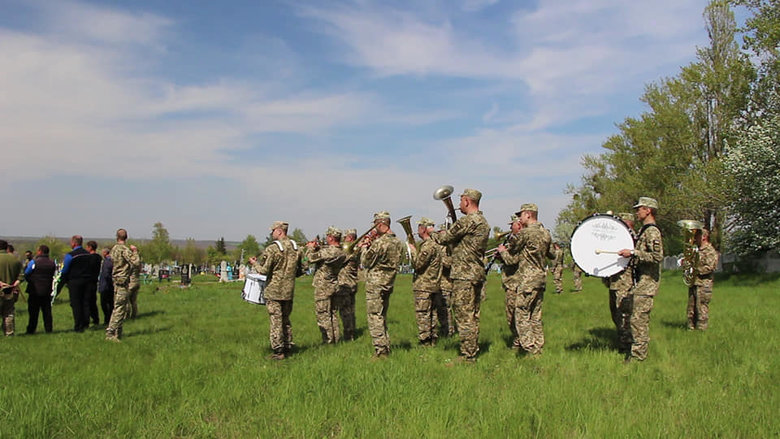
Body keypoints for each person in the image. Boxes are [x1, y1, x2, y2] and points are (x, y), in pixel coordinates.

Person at [431, 189, 490, 362]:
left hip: (464, 275)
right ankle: (472, 349)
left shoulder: (469, 220)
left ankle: (468, 355)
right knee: (473, 315)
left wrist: (433, 234)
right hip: (476, 273)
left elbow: (444, 239)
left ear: (467, 201)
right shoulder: (483, 221)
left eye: (460, 201)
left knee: (464, 316)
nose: (458, 205)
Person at [498, 203, 553, 356]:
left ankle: (529, 348)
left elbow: (512, 251)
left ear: (528, 214)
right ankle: (539, 347)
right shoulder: (546, 233)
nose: (519, 219)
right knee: (536, 316)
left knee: (521, 313)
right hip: (541, 279)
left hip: (528, 280)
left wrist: (502, 251)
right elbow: (553, 254)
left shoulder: (526, 233)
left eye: (521, 215)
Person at [248, 221, 303, 360]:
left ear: (279, 231)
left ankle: (278, 351)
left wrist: (255, 264)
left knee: (276, 321)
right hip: (288, 291)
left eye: (273, 231)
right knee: (286, 319)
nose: (271, 233)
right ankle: (288, 345)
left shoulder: (273, 249)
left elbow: (264, 271)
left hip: (273, 291)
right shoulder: (296, 248)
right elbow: (300, 270)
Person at [618, 197, 663, 362]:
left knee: (639, 320)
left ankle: (638, 357)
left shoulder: (652, 231)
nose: (637, 212)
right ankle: (636, 353)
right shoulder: (645, 230)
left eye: (639, 209)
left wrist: (634, 253)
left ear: (648, 210)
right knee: (635, 319)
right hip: (641, 282)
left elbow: (657, 256)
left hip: (647, 283)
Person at [360, 211, 403, 358]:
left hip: (376, 283)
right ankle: (385, 344)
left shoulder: (380, 242)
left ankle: (381, 351)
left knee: (374, 316)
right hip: (388, 282)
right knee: (382, 315)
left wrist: (365, 246)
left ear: (380, 224)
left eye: (375, 225)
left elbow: (365, 261)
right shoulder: (398, 241)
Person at [306, 226, 346, 344]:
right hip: (334, 284)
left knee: (323, 314)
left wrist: (310, 248)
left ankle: (328, 340)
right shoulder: (342, 252)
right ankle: (336, 338)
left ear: (331, 237)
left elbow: (310, 258)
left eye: (328, 236)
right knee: (333, 313)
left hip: (323, 286)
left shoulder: (328, 251)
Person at [602, 212, 636, 352]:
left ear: (628, 223)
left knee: (624, 314)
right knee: (616, 313)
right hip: (615, 282)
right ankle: (622, 340)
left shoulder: (633, 238)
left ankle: (627, 345)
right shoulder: (619, 237)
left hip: (625, 282)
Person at [409, 217, 443, 346]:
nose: (417, 230)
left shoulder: (428, 246)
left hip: (424, 285)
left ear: (423, 229)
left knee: (423, 313)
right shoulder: (435, 245)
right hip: (434, 284)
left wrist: (412, 251)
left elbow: (418, 265)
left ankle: (425, 341)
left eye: (418, 227)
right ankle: (433, 338)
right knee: (432, 313)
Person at [106, 229, 141, 341]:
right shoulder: (124, 250)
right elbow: (136, 262)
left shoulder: (114, 249)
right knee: (120, 308)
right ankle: (111, 333)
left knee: (117, 306)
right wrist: (135, 251)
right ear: (126, 237)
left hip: (115, 280)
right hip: (122, 281)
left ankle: (118, 332)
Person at [495, 214, 523, 348]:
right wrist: (501, 257)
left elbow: (513, 260)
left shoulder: (519, 241)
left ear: (519, 225)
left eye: (512, 224)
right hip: (511, 282)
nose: (510, 227)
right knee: (512, 314)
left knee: (513, 315)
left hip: (515, 282)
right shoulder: (513, 239)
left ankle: (519, 341)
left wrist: (503, 252)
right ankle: (519, 340)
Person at [59, 235, 93, 332]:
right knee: (85, 302)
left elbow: (65, 269)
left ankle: (78, 325)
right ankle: (86, 323)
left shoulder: (70, 255)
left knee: (76, 303)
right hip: (87, 280)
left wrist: (63, 279)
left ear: (74, 243)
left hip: (74, 281)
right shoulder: (88, 255)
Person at [687, 228, 719, 331]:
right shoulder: (696, 250)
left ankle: (701, 330)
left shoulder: (710, 251)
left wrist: (696, 270)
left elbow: (710, 267)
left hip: (704, 284)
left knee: (701, 307)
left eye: (697, 236)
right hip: (694, 282)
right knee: (691, 307)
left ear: (704, 237)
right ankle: (690, 328)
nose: (695, 238)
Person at [24, 245, 57, 334]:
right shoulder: (52, 263)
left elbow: (26, 273)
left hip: (34, 290)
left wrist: (30, 280)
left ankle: (31, 329)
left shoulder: (34, 262)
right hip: (47, 290)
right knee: (47, 312)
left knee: (33, 313)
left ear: (40, 251)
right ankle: (48, 329)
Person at [336, 229, 360, 341]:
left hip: (345, 283)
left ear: (349, 238)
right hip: (353, 283)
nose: (343, 240)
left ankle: (348, 335)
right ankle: (352, 331)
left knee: (345, 311)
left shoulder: (350, 251)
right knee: (351, 310)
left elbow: (340, 259)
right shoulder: (356, 249)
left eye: (345, 238)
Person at [434, 224, 455, 336]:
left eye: (442, 232)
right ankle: (444, 330)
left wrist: (440, 259)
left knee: (446, 309)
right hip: (438, 282)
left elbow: (451, 263)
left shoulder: (449, 247)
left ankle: (449, 331)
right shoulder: (439, 245)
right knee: (440, 309)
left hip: (446, 283)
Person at [0, 240, 24, 336]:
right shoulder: (15, 260)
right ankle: (9, 332)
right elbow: (22, 276)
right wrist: (15, 284)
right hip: (11, 290)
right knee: (9, 312)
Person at [85, 241, 102, 326]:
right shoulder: (99, 257)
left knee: (87, 302)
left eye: (87, 247)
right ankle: (96, 319)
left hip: (88, 281)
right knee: (93, 302)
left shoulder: (89, 258)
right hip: (94, 281)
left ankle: (87, 320)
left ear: (90, 247)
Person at [98, 248, 114, 326]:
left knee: (104, 303)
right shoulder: (111, 260)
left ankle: (107, 319)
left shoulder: (107, 261)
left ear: (105, 253)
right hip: (109, 285)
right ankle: (109, 318)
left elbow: (106, 274)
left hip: (106, 285)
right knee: (110, 303)